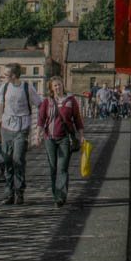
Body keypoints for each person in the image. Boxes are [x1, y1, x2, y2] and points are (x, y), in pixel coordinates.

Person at [0, 64, 42, 205]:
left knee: (18, 159)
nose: (3, 77)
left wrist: (40, 128)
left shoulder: (27, 88)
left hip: (22, 127)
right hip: (6, 127)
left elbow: (40, 104)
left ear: (13, 75)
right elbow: (0, 108)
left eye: (6, 74)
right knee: (8, 161)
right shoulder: (4, 88)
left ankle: (19, 192)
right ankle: (9, 193)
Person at [37, 76, 85, 207]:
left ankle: (61, 197)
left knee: (62, 168)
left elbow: (77, 119)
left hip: (65, 138)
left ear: (62, 86)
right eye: (55, 86)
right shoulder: (47, 101)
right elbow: (41, 119)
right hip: (50, 138)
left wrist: (81, 135)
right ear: (51, 88)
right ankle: (55, 194)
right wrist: (38, 135)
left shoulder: (71, 100)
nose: (58, 88)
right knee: (53, 168)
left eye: (59, 85)